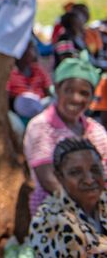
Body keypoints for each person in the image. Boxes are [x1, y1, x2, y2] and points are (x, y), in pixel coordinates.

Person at [23, 56, 107, 216]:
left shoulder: (96, 130)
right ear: (57, 89)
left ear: (91, 97)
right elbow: (48, 179)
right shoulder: (41, 126)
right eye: (69, 90)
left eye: (84, 93)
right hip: (56, 211)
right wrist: (83, 209)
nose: (76, 98)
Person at [28, 138, 107, 256]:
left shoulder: (103, 200)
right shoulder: (48, 220)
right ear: (59, 177)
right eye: (76, 172)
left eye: (95, 170)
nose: (89, 180)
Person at [6, 39, 52, 123]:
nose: (32, 52)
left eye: (32, 48)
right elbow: (6, 99)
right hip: (20, 116)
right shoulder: (10, 74)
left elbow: (48, 93)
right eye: (28, 48)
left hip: (41, 112)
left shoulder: (38, 70)